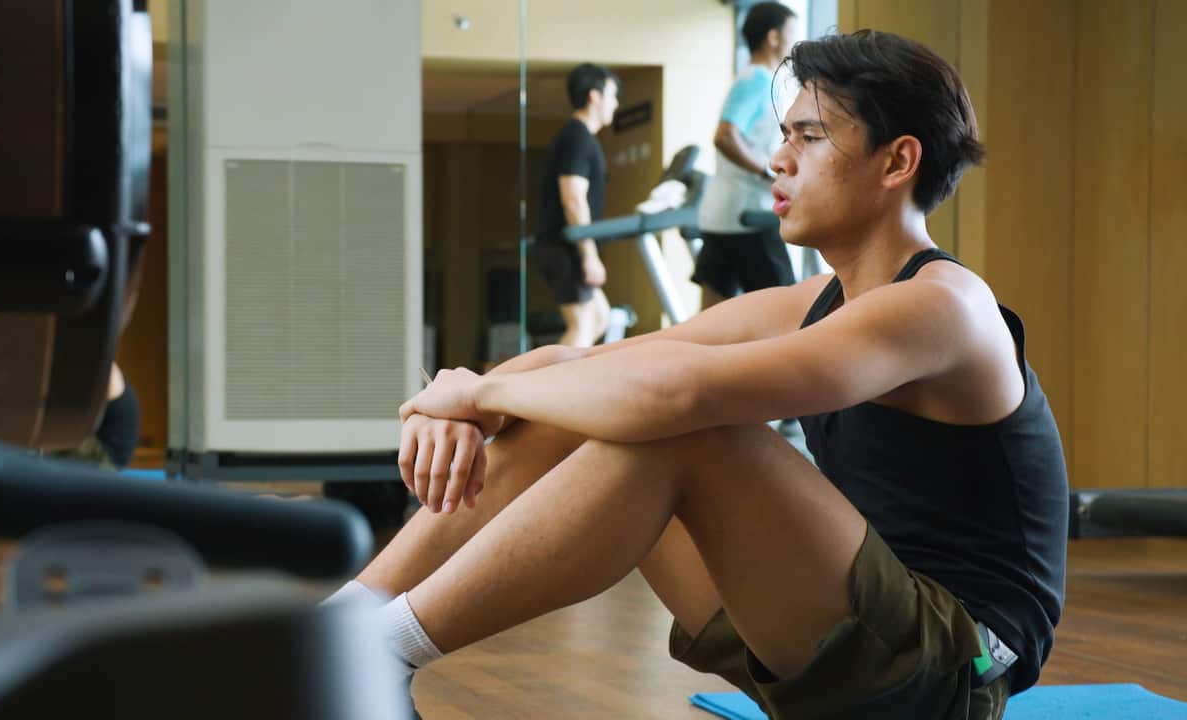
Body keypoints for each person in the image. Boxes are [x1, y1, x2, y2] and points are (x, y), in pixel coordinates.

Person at [329, 30, 1069, 719]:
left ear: (897, 161)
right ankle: (338, 625)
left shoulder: (944, 307)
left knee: (686, 431)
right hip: (837, 632)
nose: (778, 160)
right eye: (784, 136)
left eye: (809, 138)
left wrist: (479, 393)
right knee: (592, 400)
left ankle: (375, 652)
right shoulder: (815, 301)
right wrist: (450, 401)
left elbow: (681, 395)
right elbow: (592, 364)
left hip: (955, 667)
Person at [694, 2, 800, 310]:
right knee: (788, 311)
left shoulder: (754, 80)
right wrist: (766, 172)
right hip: (747, 217)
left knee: (711, 317)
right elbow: (725, 135)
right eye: (791, 33)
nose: (795, 42)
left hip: (723, 215)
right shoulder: (756, 81)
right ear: (773, 37)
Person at [530, 63, 620, 347]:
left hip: (562, 247)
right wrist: (589, 255)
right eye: (613, 96)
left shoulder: (577, 137)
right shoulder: (577, 138)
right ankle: (547, 390)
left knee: (600, 318)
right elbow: (573, 198)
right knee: (583, 324)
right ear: (594, 96)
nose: (615, 104)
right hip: (564, 248)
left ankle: (558, 385)